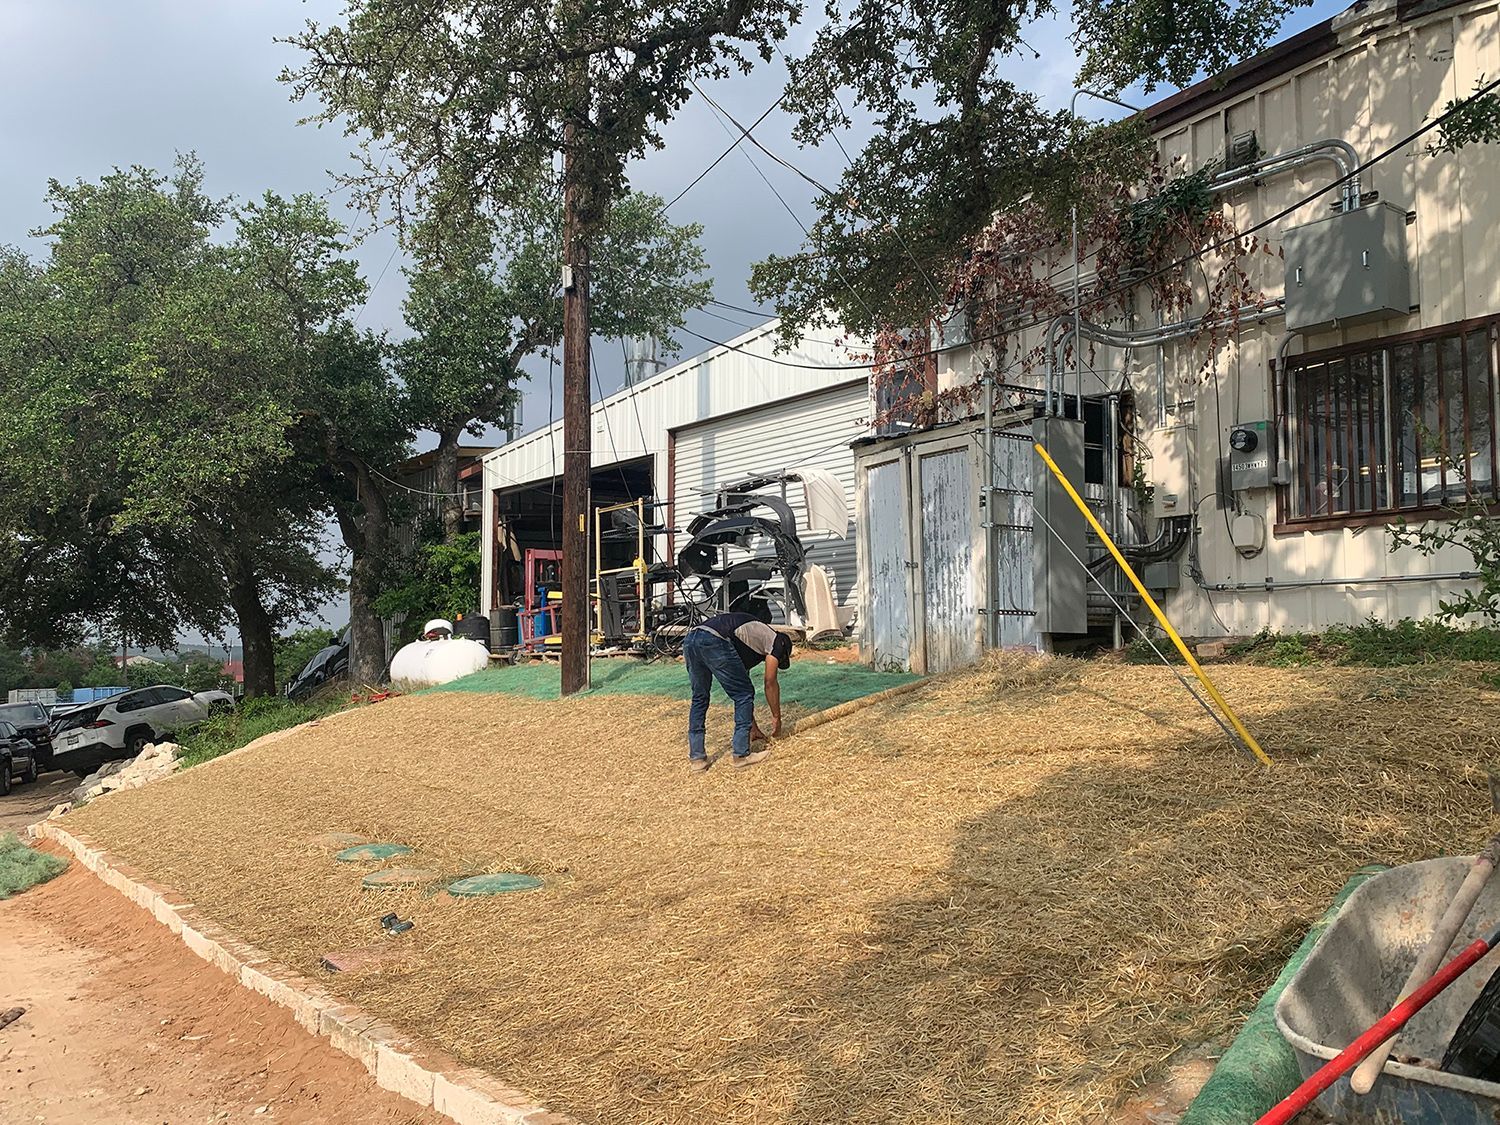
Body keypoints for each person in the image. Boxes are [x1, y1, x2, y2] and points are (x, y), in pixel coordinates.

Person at [683, 611, 793, 771]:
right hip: (714, 639)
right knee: (744, 695)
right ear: (784, 652)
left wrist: (752, 727)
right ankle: (741, 755)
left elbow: (741, 683)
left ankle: (697, 759)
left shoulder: (748, 643)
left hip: (691, 638)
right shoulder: (777, 641)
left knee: (700, 698)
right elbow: (770, 682)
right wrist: (777, 718)